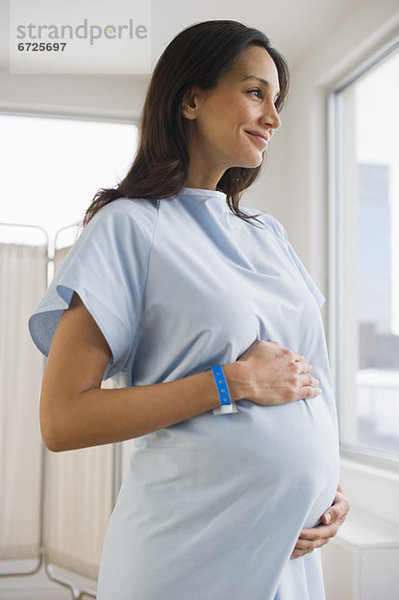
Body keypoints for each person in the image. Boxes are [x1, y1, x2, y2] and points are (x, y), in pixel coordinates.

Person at [29, 19, 350, 600]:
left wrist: (331, 488)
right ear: (191, 99)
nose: (273, 118)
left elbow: (308, 380)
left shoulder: (269, 236)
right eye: (255, 93)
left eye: (277, 101)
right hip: (188, 555)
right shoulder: (129, 226)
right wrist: (232, 383)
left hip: (288, 550)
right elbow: (63, 419)